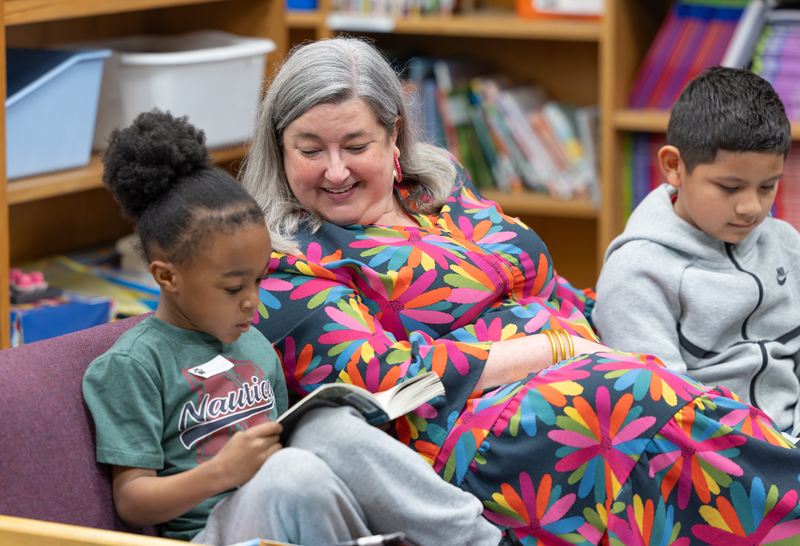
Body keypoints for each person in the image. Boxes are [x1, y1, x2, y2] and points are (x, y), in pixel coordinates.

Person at [242, 39, 800, 545]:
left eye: (355, 144)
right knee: (638, 400)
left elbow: (538, 277)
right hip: (470, 429)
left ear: (393, 135)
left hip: (585, 369)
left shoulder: (437, 187)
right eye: (310, 149)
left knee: (685, 399)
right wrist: (559, 349)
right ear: (280, 149)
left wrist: (604, 324)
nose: (335, 171)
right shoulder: (287, 262)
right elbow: (384, 385)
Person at [82, 109, 515, 546]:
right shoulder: (133, 364)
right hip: (213, 532)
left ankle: (479, 541)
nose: (253, 300)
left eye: (257, 280)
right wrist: (222, 472)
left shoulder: (252, 344)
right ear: (168, 277)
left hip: (289, 514)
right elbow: (132, 501)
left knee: (326, 428)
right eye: (234, 288)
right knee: (293, 471)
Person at [593, 66, 800, 439]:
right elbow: (665, 412)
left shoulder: (785, 242)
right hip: (716, 460)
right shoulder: (638, 272)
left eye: (767, 187)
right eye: (730, 187)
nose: (751, 207)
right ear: (674, 166)